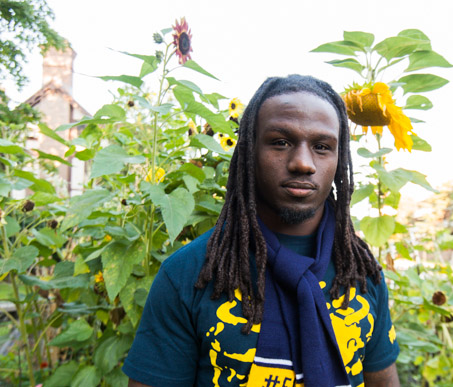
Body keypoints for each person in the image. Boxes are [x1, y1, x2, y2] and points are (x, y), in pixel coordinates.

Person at [123, 75, 400, 387]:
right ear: (249, 152)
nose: (303, 163)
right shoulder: (187, 275)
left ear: (338, 159)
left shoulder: (362, 273)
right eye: (281, 142)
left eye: (322, 147)